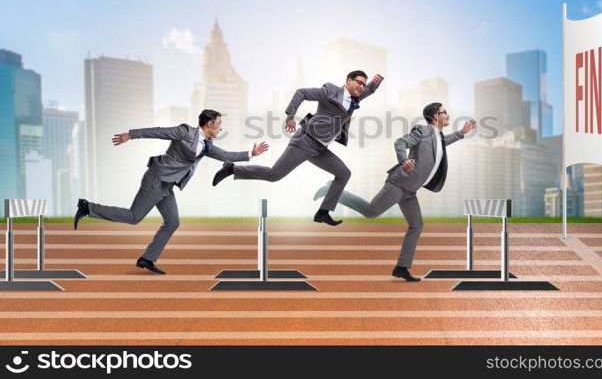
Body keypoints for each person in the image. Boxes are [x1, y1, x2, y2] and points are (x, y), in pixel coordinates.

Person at [73, 109, 269, 274]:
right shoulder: (185, 132)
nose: (221, 127)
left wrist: (251, 154)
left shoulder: (208, 145)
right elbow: (158, 132)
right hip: (156, 179)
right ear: (209, 124)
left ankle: (147, 259)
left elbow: (226, 155)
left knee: (173, 221)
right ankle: (88, 208)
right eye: (219, 123)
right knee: (134, 216)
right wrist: (131, 134)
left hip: (167, 185)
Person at [314, 103, 476, 281]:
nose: (448, 114)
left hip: (410, 191)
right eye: (444, 112)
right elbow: (400, 142)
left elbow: (443, 143)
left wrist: (462, 132)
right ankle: (332, 189)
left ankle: (401, 267)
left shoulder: (438, 136)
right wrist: (404, 160)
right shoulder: (423, 130)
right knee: (370, 212)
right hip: (399, 184)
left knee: (417, 225)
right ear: (436, 116)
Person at [213, 70, 383, 226]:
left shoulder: (354, 99)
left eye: (363, 84)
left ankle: (323, 212)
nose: (361, 86)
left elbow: (368, 90)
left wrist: (375, 82)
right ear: (348, 81)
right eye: (358, 82)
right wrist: (290, 116)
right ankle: (232, 169)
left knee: (344, 173)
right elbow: (302, 93)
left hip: (320, 149)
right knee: (274, 175)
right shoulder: (330, 91)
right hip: (305, 142)